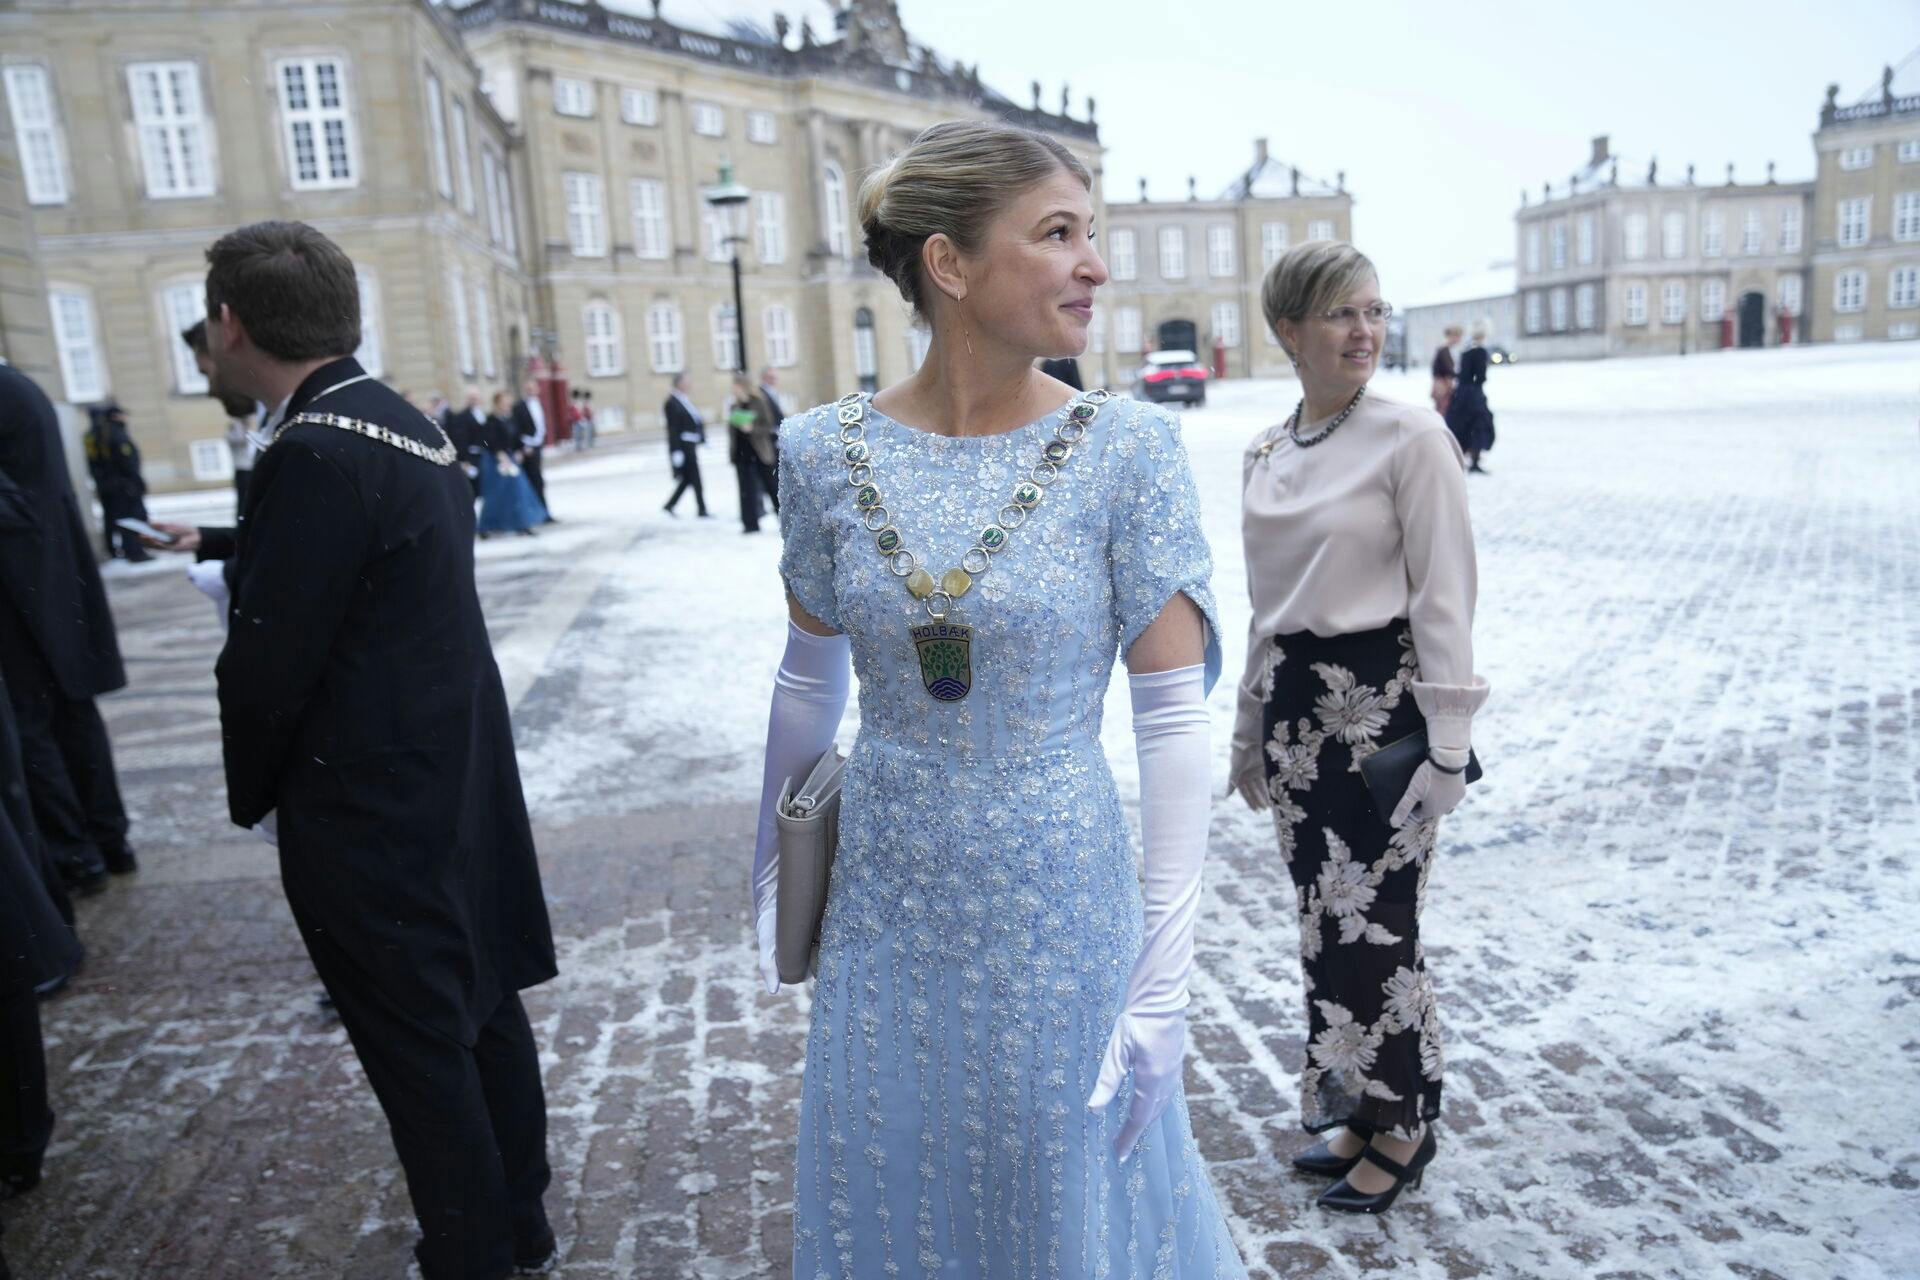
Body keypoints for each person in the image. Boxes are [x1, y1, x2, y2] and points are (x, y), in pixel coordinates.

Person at [756, 120, 1245, 1276]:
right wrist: (773, 869)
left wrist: (1163, 980)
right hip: (884, 903)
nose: (1096, 264)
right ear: (951, 263)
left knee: (1054, 1204)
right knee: (897, 1181)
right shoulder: (822, 451)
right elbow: (805, 677)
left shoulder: (1129, 449)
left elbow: (1173, 724)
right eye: (1059, 233)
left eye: (1094, 234)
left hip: (1059, 906)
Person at [199, 220, 558, 1279]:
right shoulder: (394, 418)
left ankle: (469, 1245)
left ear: (232, 322)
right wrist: (231, 545)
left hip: (370, 798)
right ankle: (518, 1218)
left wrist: (256, 787)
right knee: (482, 1004)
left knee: (417, 1043)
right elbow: (375, 552)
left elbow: (269, 661)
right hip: (451, 772)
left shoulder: (311, 447)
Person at [1228, 240, 1489, 1214]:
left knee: (1383, 929)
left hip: (1382, 710)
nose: (1365, 331)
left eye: (1376, 311)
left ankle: (1406, 1120)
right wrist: (1250, 727)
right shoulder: (1264, 451)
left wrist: (1451, 743)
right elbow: (1267, 607)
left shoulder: (1412, 437)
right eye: (1342, 313)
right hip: (1299, 718)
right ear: (1289, 328)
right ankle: (1359, 1105)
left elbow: (1447, 596)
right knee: (1325, 929)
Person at [0, 365, 135, 895]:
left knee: (34, 723)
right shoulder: (18, 385)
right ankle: (107, 841)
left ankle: (77, 856)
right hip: (46, 569)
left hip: (18, 580)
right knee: (70, 714)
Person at [83, 402, 151, 562]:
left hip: (106, 484)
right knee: (132, 517)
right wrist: (137, 481)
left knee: (112, 517)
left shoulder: (92, 436)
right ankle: (135, 551)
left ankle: (113, 549)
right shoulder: (116, 434)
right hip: (124, 485)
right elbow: (127, 462)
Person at [478, 390, 546, 537]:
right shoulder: (491, 420)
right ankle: (487, 526)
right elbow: (490, 440)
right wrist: (500, 455)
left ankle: (522, 523)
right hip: (496, 462)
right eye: (504, 403)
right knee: (496, 495)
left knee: (519, 492)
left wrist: (521, 450)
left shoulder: (510, 419)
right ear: (497, 404)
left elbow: (516, 438)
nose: (507, 406)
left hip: (511, 459)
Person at [1445, 325, 1495, 474]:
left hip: (1461, 394)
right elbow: (1480, 376)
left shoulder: (1466, 351)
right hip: (1474, 394)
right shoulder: (1480, 351)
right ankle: (1474, 460)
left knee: (1461, 425)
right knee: (1478, 425)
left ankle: (1459, 457)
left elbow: (1461, 373)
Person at [661, 372, 710, 518]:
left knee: (688, 479)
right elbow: (673, 428)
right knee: (695, 478)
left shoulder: (684, 400)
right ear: (679, 383)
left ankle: (670, 504)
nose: (689, 384)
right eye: (687, 381)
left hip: (690, 444)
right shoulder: (671, 402)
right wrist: (676, 450)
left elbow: (694, 421)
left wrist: (702, 438)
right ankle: (702, 509)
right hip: (683, 446)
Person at [511, 378, 555, 521]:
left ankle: (543, 512)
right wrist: (524, 447)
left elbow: (540, 425)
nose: (530, 390)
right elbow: (516, 429)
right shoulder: (519, 406)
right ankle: (538, 513)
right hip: (527, 449)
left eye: (533, 388)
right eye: (528, 388)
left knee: (539, 480)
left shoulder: (540, 404)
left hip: (537, 447)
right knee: (533, 481)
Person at [726, 377, 766, 533]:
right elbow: (731, 432)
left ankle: (782, 518)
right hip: (741, 454)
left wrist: (752, 429)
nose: (734, 390)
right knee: (745, 491)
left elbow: (768, 425)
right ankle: (750, 524)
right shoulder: (734, 406)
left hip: (759, 452)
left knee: (770, 487)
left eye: (736, 387)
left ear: (743, 386)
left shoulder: (758, 403)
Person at [443, 387, 489, 497]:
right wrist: (464, 460)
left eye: (476, 397)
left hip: (485, 456)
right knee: (475, 489)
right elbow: (461, 440)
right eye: (472, 398)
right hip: (472, 457)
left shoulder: (482, 414)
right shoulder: (462, 417)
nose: (474, 400)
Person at [750, 367, 782, 511]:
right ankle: (761, 507)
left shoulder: (772, 393)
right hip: (767, 441)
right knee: (768, 477)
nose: (774, 380)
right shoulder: (761, 394)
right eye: (771, 377)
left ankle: (763, 506)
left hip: (775, 439)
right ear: (764, 378)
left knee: (771, 476)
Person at [1430, 324, 1461, 418]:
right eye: (1458, 337)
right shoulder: (1443, 350)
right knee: (1443, 412)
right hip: (1443, 385)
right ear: (1452, 336)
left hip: (1443, 384)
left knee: (1442, 411)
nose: (1459, 340)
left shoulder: (1444, 350)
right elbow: (1448, 370)